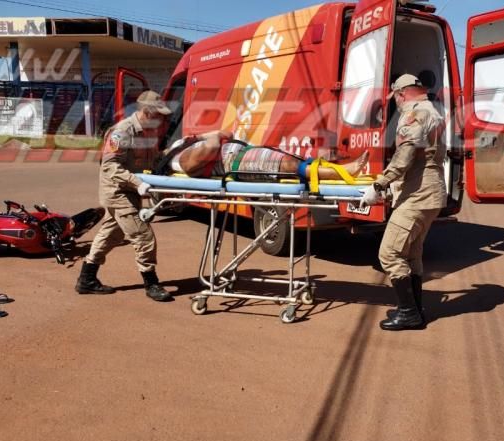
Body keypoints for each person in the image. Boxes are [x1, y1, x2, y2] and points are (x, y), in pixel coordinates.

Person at [360, 74, 447, 331]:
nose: (395, 103)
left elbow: (405, 154)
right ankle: (415, 309)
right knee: (411, 253)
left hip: (418, 194)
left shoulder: (414, 113)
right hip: (429, 192)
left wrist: (380, 184)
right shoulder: (433, 111)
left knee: (389, 253)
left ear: (401, 93)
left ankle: (409, 312)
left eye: (395, 98)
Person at [75, 90, 172, 302]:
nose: (161, 120)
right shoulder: (122, 132)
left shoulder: (148, 132)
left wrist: (172, 154)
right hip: (117, 191)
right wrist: (139, 183)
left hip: (130, 191)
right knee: (143, 236)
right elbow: (110, 166)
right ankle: (151, 283)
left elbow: (153, 159)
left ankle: (86, 279)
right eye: (158, 115)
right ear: (147, 112)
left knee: (112, 235)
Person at [156, 131, 369, 182]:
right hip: (235, 161)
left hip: (240, 154)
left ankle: (340, 169)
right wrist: (213, 135)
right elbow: (211, 148)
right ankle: (343, 173)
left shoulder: (181, 149)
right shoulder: (180, 160)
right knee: (288, 164)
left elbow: (227, 135)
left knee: (292, 160)